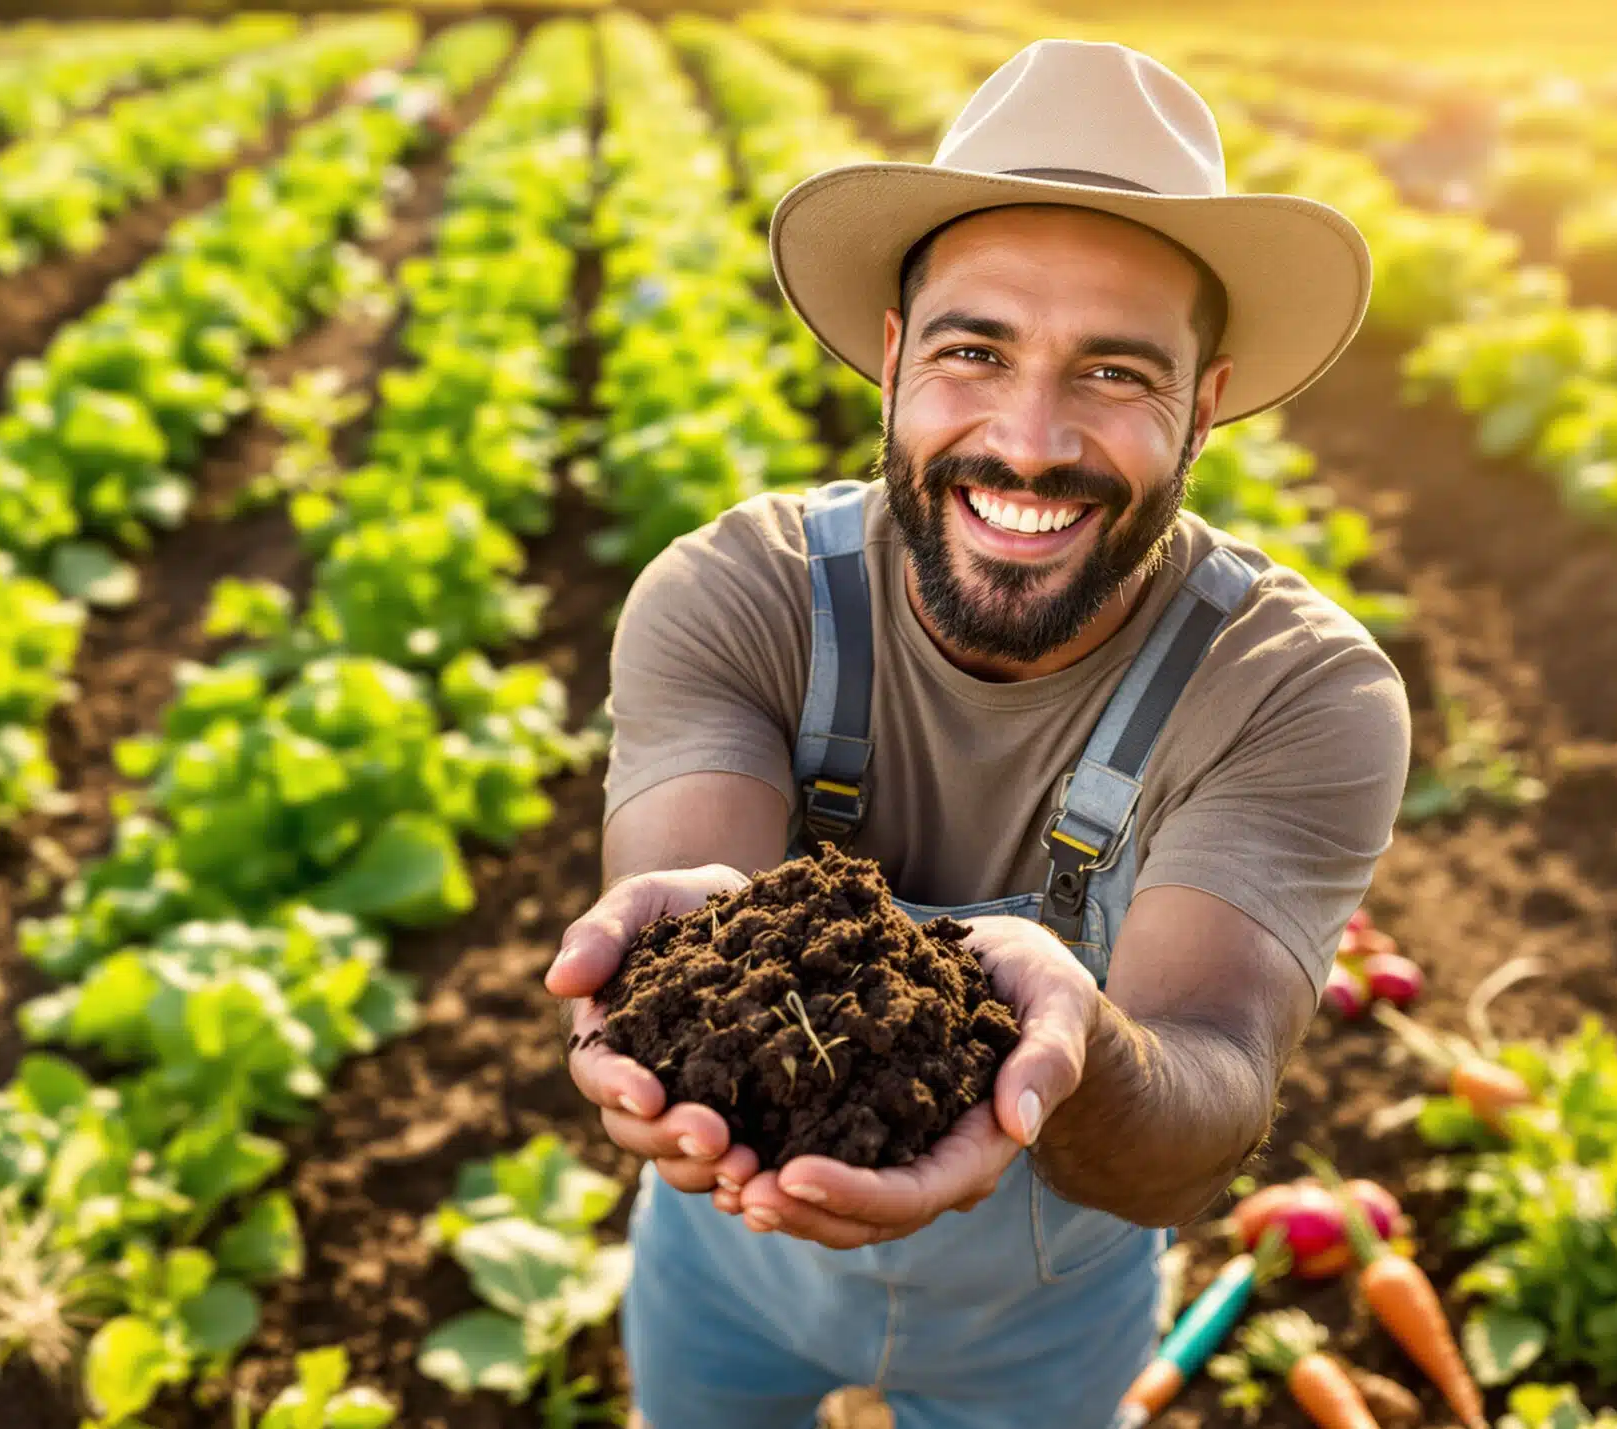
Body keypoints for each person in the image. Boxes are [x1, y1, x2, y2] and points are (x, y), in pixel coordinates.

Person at [543, 37, 1412, 1429]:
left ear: (1206, 404)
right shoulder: (739, 597)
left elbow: (1201, 1111)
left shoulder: (1292, 691)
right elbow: (693, 945)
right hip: (726, 1269)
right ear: (895, 359)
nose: (1029, 438)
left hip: (1046, 1316)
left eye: (1114, 373)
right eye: (974, 351)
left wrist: (1077, 1045)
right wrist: (678, 963)